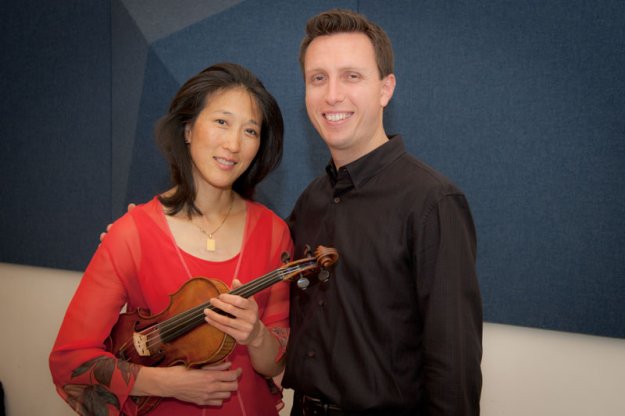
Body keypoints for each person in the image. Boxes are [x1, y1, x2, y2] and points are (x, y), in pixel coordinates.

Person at [50, 63, 293, 416]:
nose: (234, 144)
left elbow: (274, 366)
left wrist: (256, 335)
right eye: (222, 122)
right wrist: (168, 383)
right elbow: (71, 358)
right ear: (189, 129)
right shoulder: (130, 232)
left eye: (251, 131)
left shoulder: (274, 232)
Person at [282, 9, 483, 415]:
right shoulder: (310, 200)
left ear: (385, 89)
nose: (332, 94)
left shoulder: (432, 202)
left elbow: (453, 368)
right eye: (318, 78)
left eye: (352, 76)